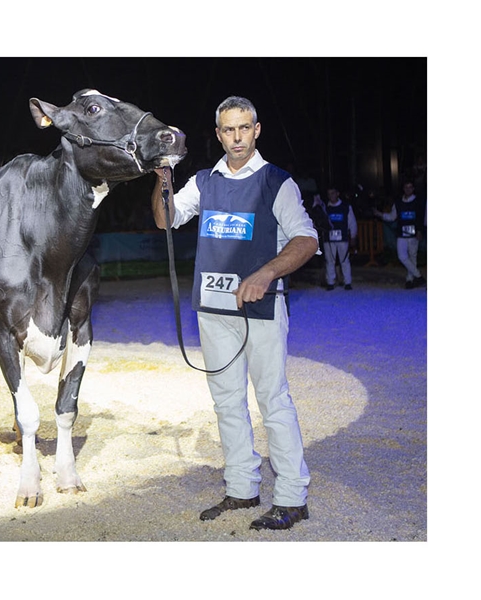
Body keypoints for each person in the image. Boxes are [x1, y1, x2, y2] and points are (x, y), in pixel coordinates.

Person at [150, 96, 318, 531]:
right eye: (228, 129)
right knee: (227, 402)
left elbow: (305, 240)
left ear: (256, 130)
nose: (237, 137)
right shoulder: (205, 181)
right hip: (213, 308)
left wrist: (265, 273)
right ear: (219, 133)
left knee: (272, 401)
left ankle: (292, 497)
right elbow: (166, 219)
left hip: (261, 309)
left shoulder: (276, 182)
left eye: (244, 128)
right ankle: (242, 487)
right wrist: (163, 180)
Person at [374, 181, 426, 288]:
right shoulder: (398, 203)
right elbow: (392, 217)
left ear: (413, 189)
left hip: (414, 233)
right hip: (402, 233)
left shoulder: (419, 202)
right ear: (403, 189)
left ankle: (410, 279)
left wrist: (421, 230)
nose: (408, 189)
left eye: (410, 187)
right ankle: (418, 276)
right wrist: (380, 214)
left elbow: (422, 217)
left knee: (412, 257)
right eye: (406, 187)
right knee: (402, 256)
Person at [313, 185, 357, 290]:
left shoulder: (346, 207)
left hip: (342, 238)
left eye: (333, 193)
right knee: (329, 261)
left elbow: (352, 222)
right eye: (329, 194)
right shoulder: (324, 208)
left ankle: (347, 282)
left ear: (337, 194)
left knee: (344, 260)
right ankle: (330, 282)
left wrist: (353, 236)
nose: (331, 196)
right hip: (328, 238)